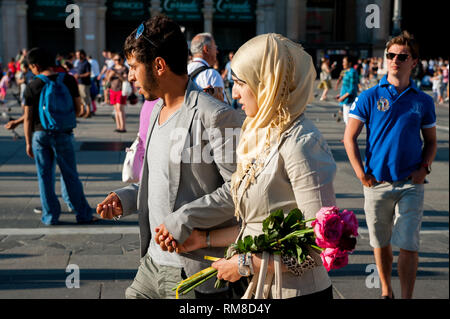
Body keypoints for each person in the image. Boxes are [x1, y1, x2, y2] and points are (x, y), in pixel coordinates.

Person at [157, 33, 337, 300]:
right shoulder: (260, 132)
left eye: (242, 82)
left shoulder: (301, 143)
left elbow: (318, 248)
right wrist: (205, 240)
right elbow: (259, 226)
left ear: (267, 84)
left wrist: (243, 265)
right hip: (254, 289)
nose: (234, 92)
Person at [96, 15, 244, 299]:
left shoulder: (215, 115)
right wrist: (125, 198)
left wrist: (183, 219)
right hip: (151, 262)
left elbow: (240, 193)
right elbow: (159, 180)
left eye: (134, 68)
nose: (130, 76)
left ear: (159, 66)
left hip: (194, 270)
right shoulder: (154, 111)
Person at [343, 31, 437, 299]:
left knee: (408, 243)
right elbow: (349, 138)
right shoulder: (369, 96)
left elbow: (431, 141)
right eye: (391, 55)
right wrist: (361, 174)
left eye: (402, 56)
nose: (395, 60)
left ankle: (406, 296)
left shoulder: (423, 101)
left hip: (411, 183)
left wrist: (424, 169)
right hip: (377, 181)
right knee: (380, 242)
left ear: (414, 62)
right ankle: (386, 291)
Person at [22, 47, 97, 225]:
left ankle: (50, 216)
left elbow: (27, 119)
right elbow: (78, 109)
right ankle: (83, 214)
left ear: (35, 65)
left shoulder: (32, 85)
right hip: (64, 133)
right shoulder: (69, 80)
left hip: (40, 135)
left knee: (45, 177)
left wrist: (27, 143)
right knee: (70, 175)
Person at [188, 33, 226, 103]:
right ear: (206, 49)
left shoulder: (184, 70)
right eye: (215, 47)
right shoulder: (212, 74)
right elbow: (223, 110)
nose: (217, 52)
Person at [105, 52, 129, 132]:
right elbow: (107, 80)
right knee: (116, 109)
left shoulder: (125, 68)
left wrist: (118, 74)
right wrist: (109, 76)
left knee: (120, 108)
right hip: (112, 90)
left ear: (122, 59)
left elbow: (125, 80)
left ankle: (123, 127)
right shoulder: (112, 68)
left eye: (118, 59)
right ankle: (118, 127)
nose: (117, 61)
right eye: (115, 60)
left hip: (121, 90)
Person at [336, 56, 359, 125]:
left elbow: (352, 88)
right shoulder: (346, 71)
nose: (343, 64)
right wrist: (340, 95)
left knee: (348, 121)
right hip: (345, 99)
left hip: (349, 99)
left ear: (349, 63)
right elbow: (346, 86)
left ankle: (349, 135)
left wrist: (343, 97)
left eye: (344, 62)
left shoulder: (352, 72)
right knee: (346, 119)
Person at [74, 49, 92, 118]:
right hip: (79, 82)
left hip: (85, 83)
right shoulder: (78, 63)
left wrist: (79, 76)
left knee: (85, 98)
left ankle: (88, 112)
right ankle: (82, 111)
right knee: (81, 98)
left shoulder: (86, 63)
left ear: (82, 55)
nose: (77, 56)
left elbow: (88, 73)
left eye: (78, 55)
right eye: (76, 55)